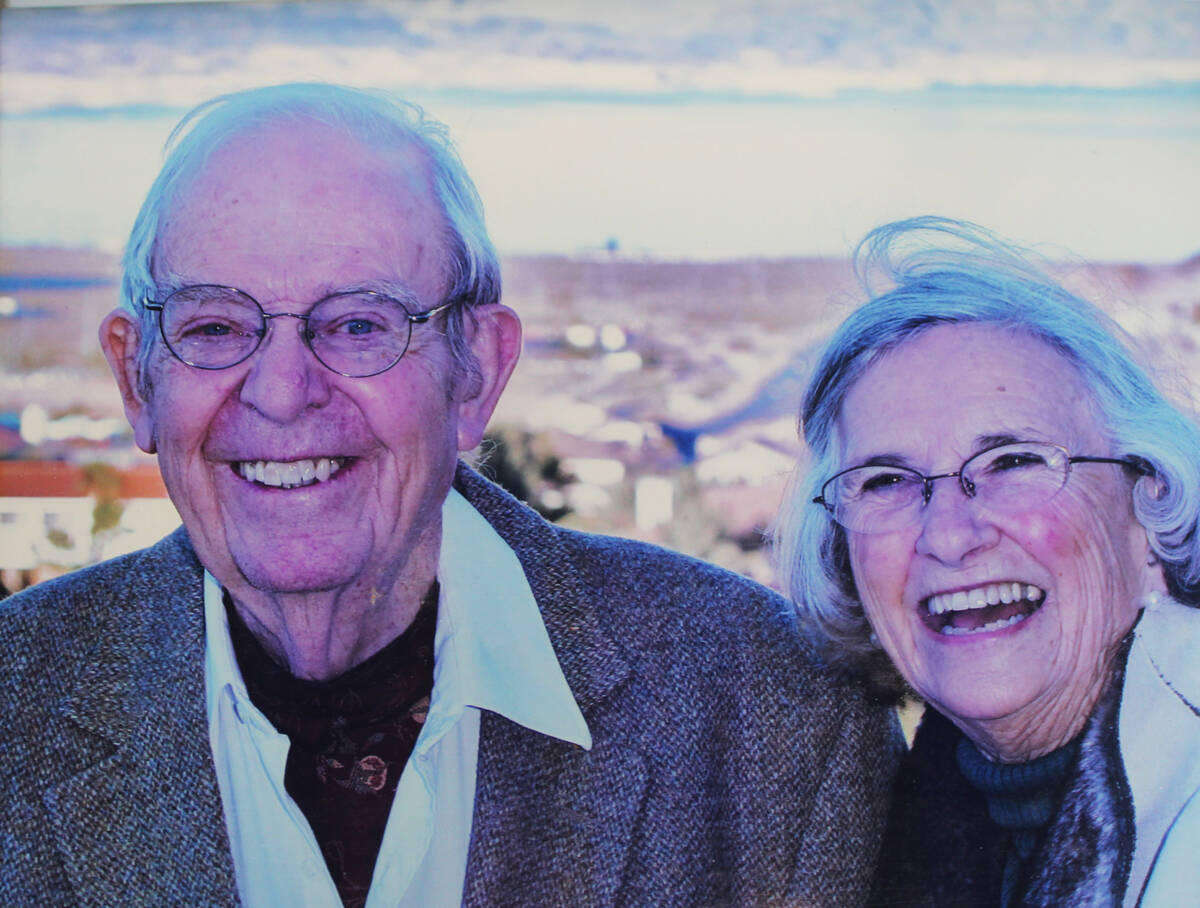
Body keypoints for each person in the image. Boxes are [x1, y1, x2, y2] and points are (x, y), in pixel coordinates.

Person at [0, 83, 899, 907]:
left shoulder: (776, 716)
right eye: (214, 326)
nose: (280, 390)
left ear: (477, 370)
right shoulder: (19, 701)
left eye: (357, 324)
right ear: (135, 378)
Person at [775, 216, 1200, 907]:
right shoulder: (913, 815)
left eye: (1013, 461)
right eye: (886, 479)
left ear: (1149, 503)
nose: (949, 534)